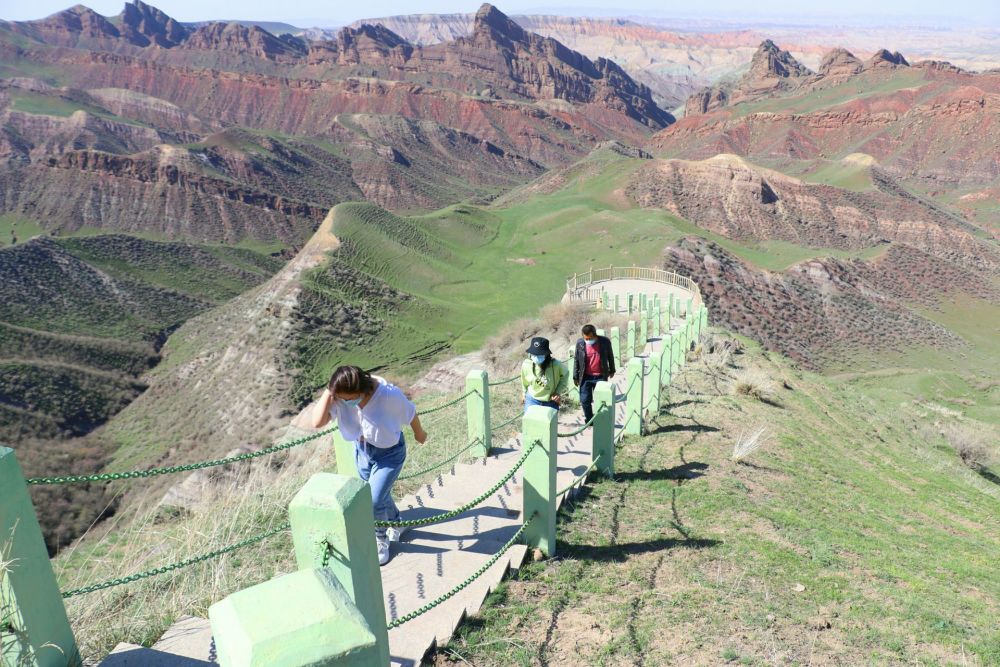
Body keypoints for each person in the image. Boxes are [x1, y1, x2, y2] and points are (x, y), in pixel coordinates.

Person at [311, 365, 427, 566]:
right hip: (363, 452)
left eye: (350, 398)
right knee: (379, 495)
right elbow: (317, 422)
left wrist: (419, 433)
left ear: (363, 390)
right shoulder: (340, 397)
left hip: (390, 454)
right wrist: (330, 391)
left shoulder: (388, 395)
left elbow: (410, 413)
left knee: (373, 499)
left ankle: (380, 539)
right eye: (343, 399)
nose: (347, 403)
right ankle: (397, 523)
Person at [572, 324, 616, 424]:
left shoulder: (605, 341)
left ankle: (601, 420)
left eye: (590, 338)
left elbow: (610, 356)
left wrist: (612, 369)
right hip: (585, 377)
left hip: (600, 376)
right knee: (584, 400)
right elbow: (576, 360)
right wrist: (575, 376)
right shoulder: (580, 343)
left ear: (595, 334)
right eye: (586, 338)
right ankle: (589, 420)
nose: (588, 340)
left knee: (601, 400)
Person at [521, 337, 569, 411]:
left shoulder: (556, 365)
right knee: (530, 421)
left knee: (548, 422)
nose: (536, 357)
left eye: (539, 354)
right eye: (534, 354)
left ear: (546, 354)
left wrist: (557, 392)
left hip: (550, 401)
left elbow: (565, 375)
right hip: (532, 399)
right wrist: (524, 393)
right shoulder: (526, 364)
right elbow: (524, 380)